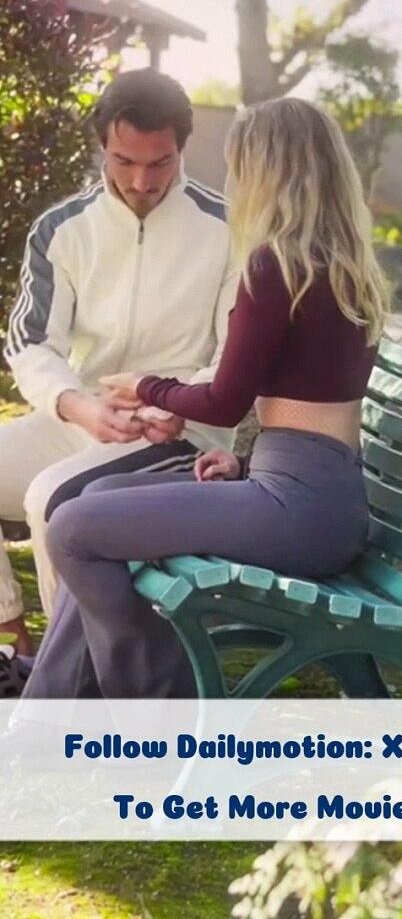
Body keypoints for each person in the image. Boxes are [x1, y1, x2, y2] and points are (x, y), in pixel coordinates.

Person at [20, 97, 390, 700]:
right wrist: (244, 463)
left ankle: (153, 712)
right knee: (98, 496)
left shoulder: (276, 266)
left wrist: (145, 385)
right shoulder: (345, 268)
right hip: (319, 498)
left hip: (296, 510)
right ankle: (49, 712)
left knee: (72, 531)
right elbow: (316, 407)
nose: (235, 182)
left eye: (240, 166)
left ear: (266, 171)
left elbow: (223, 403)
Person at [0, 69, 237, 674]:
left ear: (182, 147)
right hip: (87, 415)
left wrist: (177, 400)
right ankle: (13, 643)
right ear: (101, 145)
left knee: (51, 500)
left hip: (182, 431)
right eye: (124, 160)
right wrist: (77, 405)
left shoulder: (229, 229)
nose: (140, 182)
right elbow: (30, 341)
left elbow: (235, 353)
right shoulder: (62, 230)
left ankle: (74, 684)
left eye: (160, 163)